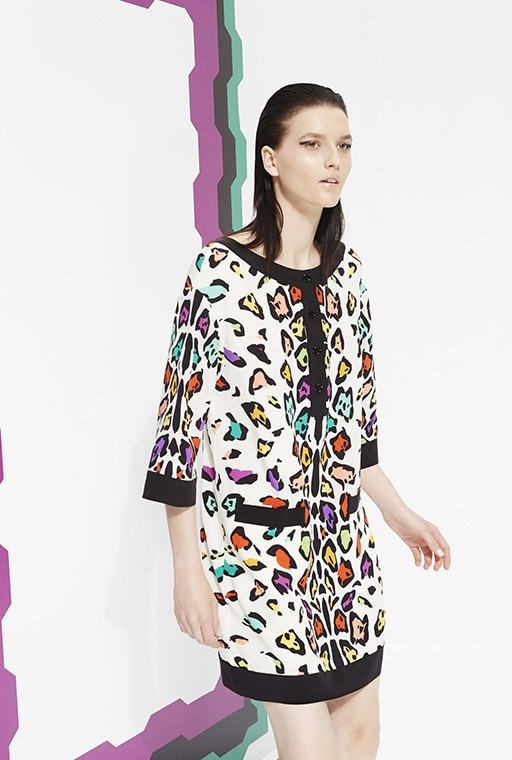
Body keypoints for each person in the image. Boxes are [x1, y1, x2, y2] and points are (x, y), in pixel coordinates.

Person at [142, 83, 451, 760]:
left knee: (361, 734)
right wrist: (188, 572)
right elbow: (177, 436)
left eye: (343, 145)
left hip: (346, 556)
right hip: (258, 558)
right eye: (311, 144)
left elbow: (357, 432)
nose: (333, 160)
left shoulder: (349, 274)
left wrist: (400, 516)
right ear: (271, 159)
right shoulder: (219, 273)